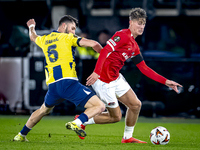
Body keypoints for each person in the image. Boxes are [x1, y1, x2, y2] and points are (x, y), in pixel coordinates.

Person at [76, 8, 182, 143]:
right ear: (130, 22)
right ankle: (82, 119)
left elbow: (144, 68)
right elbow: (104, 52)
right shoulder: (122, 35)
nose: (142, 26)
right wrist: (96, 72)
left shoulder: (134, 46)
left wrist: (166, 81)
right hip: (103, 80)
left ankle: (127, 137)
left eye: (143, 23)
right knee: (115, 117)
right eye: (139, 23)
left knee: (136, 105)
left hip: (115, 78)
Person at [13, 15, 105, 142]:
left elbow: (33, 37)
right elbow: (94, 43)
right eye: (72, 28)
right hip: (68, 83)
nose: (74, 32)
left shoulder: (45, 39)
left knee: (43, 110)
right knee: (100, 106)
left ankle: (21, 135)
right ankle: (78, 122)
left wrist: (31, 27)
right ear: (63, 26)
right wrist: (104, 54)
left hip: (53, 87)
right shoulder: (68, 38)